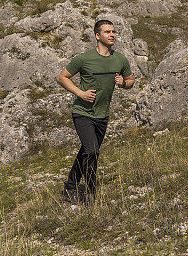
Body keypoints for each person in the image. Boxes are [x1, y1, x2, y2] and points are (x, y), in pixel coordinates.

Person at [56, 19, 134, 207]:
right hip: (82, 112)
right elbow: (61, 77)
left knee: (87, 150)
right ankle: (90, 196)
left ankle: (70, 187)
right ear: (97, 36)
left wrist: (122, 83)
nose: (112, 34)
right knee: (92, 151)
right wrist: (80, 93)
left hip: (102, 115)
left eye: (114, 32)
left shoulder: (120, 59)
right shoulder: (84, 59)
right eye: (107, 32)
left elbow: (130, 80)